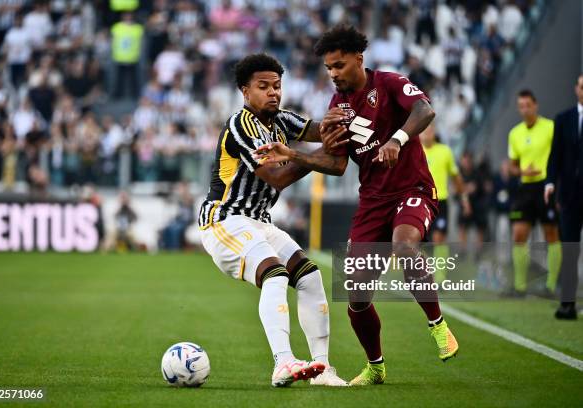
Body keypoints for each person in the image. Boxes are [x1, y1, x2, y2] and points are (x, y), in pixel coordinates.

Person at [255, 25, 459, 386]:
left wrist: (397, 138)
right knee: (357, 292)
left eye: (338, 65)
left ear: (358, 59)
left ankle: (437, 325)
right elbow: (336, 164)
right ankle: (376, 366)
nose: (333, 74)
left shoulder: (390, 82)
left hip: (412, 188)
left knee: (404, 245)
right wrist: (294, 153)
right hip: (372, 202)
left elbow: (425, 111)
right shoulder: (338, 107)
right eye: (328, 68)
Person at [198, 54, 347, 387]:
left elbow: (320, 132)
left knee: (309, 278)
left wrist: (344, 125)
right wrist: (311, 157)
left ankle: (322, 370)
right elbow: (276, 178)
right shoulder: (241, 125)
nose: (273, 93)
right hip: (224, 220)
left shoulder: (281, 121)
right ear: (244, 91)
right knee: (275, 274)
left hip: (258, 221)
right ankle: (283, 363)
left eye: (277, 86)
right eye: (263, 87)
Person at [507, 90, 561, 297]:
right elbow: (512, 167)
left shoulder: (550, 128)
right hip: (525, 189)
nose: (525, 110)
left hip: (547, 187)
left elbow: (560, 157)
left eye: (528, 105)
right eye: (521, 106)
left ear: (535, 105)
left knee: (551, 234)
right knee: (519, 234)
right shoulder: (514, 133)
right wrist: (522, 171)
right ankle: (520, 287)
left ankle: (551, 285)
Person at [545, 74, 583, 320]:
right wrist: (550, 182)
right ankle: (567, 304)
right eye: (582, 86)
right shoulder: (564, 119)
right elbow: (555, 155)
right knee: (570, 249)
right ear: (576, 89)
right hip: (569, 196)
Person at [420, 121, 471, 282]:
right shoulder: (413, 152)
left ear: (435, 131)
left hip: (440, 202)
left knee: (439, 239)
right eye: (424, 128)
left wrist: (464, 199)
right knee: (420, 242)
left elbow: (456, 178)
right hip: (419, 203)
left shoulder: (445, 151)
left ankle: (440, 279)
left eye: (430, 128)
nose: (427, 132)